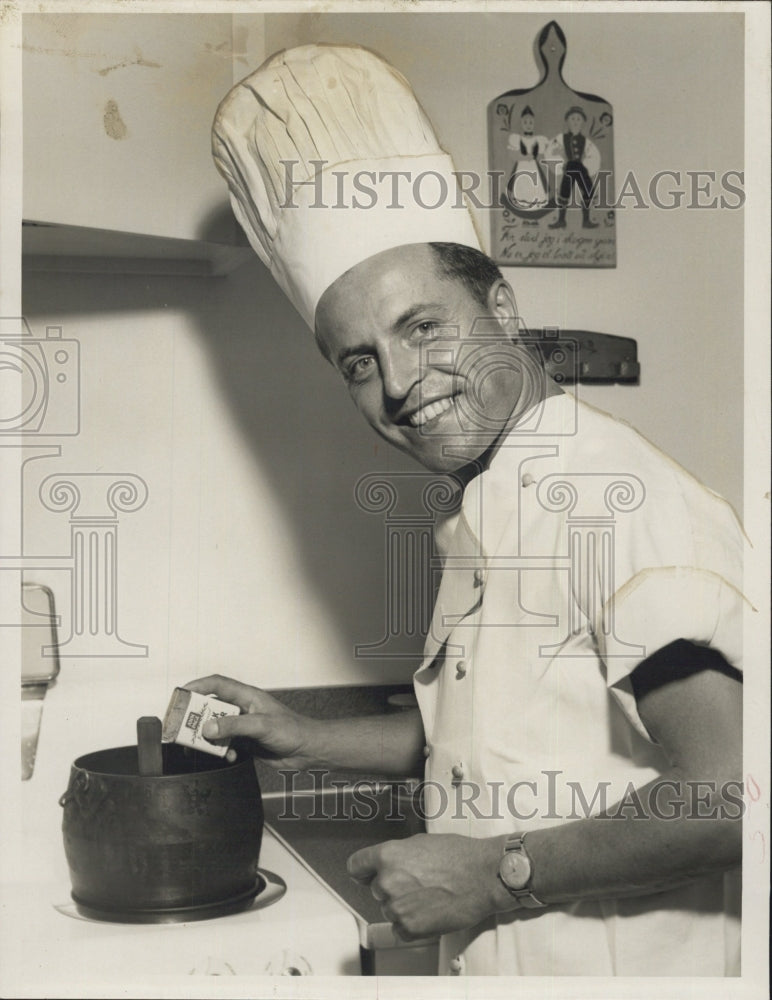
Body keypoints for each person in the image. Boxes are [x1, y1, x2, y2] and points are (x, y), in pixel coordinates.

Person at [193, 45, 747, 977]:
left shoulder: (621, 503)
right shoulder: (486, 511)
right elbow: (498, 737)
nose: (400, 385)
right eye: (359, 361)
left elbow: (735, 794)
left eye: (422, 326)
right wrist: (303, 735)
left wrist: (496, 876)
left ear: (501, 304)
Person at [546, 106, 601, 229]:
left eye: (578, 119)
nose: (575, 122)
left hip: (580, 167)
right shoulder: (562, 137)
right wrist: (558, 154)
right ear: (567, 121)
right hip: (570, 166)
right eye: (573, 119)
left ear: (582, 123)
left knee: (588, 191)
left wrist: (589, 164)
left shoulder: (584, 140)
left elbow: (591, 153)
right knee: (564, 192)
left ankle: (586, 221)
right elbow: (552, 149)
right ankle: (561, 220)